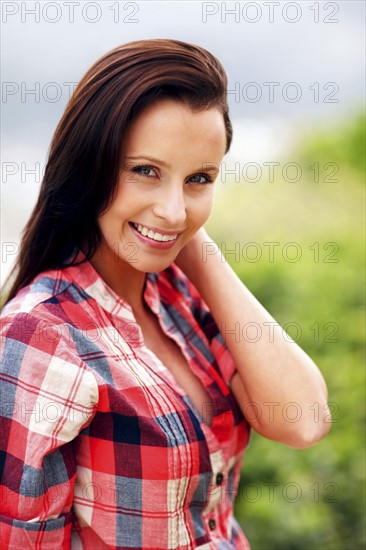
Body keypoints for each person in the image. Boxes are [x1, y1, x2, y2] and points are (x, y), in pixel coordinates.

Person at [0, 39, 331, 549]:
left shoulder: (179, 296)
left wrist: (196, 249)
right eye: (145, 171)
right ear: (90, 165)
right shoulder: (41, 335)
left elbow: (302, 420)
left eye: (199, 179)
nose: (174, 209)